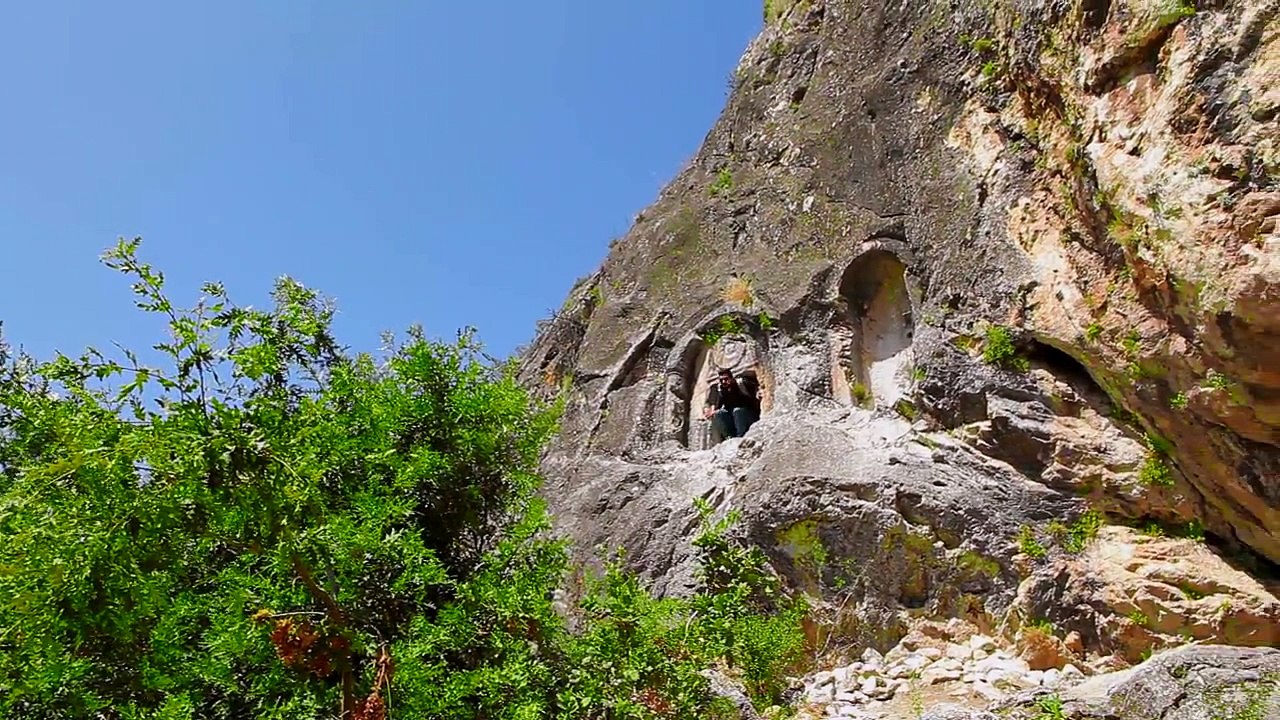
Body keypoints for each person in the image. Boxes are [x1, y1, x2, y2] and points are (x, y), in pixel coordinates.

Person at [702, 368, 760, 440]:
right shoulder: (721, 390)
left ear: (732, 378)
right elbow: (717, 406)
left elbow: (756, 390)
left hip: (749, 415)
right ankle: (729, 437)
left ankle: (740, 437)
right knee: (719, 413)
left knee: (737, 411)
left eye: (726, 379)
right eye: (721, 380)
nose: (723, 382)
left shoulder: (741, 384)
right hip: (733, 417)